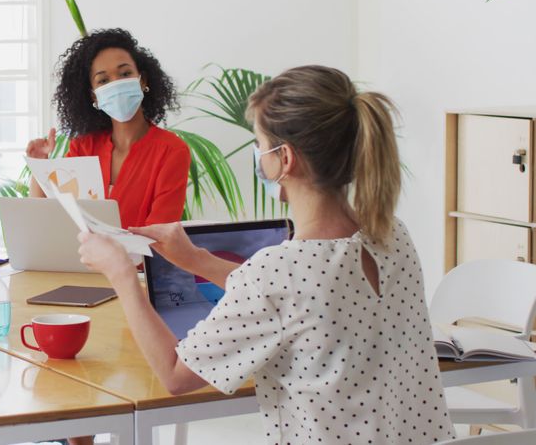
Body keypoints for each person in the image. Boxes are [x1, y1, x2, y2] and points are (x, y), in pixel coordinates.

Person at [77, 65, 455, 444]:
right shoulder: (392, 236)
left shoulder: (280, 271)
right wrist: (194, 259)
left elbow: (176, 375)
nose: (258, 154)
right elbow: (289, 300)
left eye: (259, 144)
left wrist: (121, 274)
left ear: (284, 159)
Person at [26, 28, 190, 227]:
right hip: (81, 258)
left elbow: (162, 237)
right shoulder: (83, 148)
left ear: (143, 80)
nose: (116, 84)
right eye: (103, 80)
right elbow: (49, 219)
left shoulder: (172, 150)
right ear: (94, 95)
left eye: (125, 73)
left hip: (139, 259)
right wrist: (39, 165)